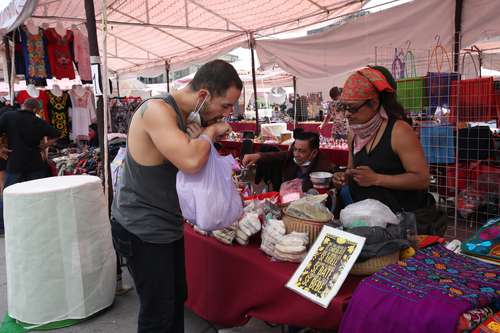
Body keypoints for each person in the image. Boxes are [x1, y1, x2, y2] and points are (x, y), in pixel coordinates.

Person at [111, 59, 242, 333]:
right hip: (142, 227)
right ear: (204, 95)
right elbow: (190, 162)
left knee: (175, 300)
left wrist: (202, 135)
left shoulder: (189, 118)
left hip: (167, 224)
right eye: (226, 106)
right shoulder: (156, 110)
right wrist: (209, 133)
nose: (227, 114)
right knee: (158, 313)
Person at [333, 66, 447, 235]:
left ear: (374, 102)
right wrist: (345, 177)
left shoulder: (399, 131)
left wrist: (376, 179)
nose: (347, 114)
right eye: (344, 108)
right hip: (367, 223)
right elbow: (353, 172)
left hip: (402, 224)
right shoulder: (354, 133)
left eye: (353, 108)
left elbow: (422, 179)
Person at [0, 98, 60, 234]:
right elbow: (56, 134)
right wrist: (43, 146)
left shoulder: (8, 117)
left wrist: (0, 149)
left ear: (23, 105)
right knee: (36, 195)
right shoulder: (38, 121)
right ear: (35, 110)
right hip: (35, 163)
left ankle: (5, 225)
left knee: (8, 195)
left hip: (15, 162)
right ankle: (37, 223)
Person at [242, 131, 334, 192]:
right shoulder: (292, 155)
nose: (296, 154)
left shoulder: (323, 168)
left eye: (301, 151)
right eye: (295, 149)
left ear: (314, 153)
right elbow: (277, 156)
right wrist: (257, 156)